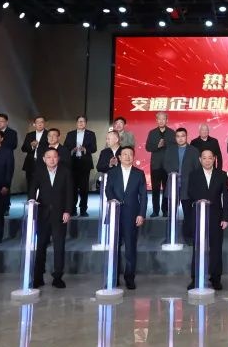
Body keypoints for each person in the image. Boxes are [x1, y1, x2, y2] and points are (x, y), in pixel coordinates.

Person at [28, 148, 73, 288]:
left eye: (54, 157)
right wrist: (31, 201)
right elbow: (32, 189)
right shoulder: (39, 172)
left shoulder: (65, 172)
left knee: (59, 246)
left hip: (60, 214)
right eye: (49, 157)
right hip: (42, 214)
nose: (52, 160)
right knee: (41, 245)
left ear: (58, 158)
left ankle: (58, 276)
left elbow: (70, 193)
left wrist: (68, 211)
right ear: (44, 159)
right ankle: (38, 276)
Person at [187, 149, 228, 290]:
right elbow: (190, 193)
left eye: (210, 158)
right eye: (204, 158)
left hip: (216, 217)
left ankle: (216, 278)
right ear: (200, 159)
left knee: (216, 248)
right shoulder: (193, 175)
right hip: (198, 215)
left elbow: (226, 197)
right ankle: (195, 278)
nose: (207, 160)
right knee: (197, 248)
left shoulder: (222, 175)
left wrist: (226, 218)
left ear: (214, 159)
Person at [104, 146, 147, 290]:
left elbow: (143, 196)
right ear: (119, 157)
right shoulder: (112, 172)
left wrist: (141, 214)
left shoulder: (139, 173)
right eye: (124, 154)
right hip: (115, 213)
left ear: (133, 157)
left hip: (132, 215)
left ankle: (129, 278)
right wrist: (113, 201)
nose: (127, 157)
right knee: (114, 247)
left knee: (130, 248)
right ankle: (113, 277)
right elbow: (108, 190)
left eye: (130, 154)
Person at [164, 127, 200, 242]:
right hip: (173, 185)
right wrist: (173, 172)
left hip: (187, 187)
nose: (180, 138)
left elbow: (197, 168)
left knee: (188, 214)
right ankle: (169, 237)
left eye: (182, 136)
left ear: (186, 136)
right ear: (175, 138)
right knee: (171, 213)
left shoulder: (194, 150)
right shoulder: (170, 149)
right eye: (178, 136)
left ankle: (188, 237)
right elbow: (165, 164)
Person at [65, 115, 98, 217]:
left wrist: (85, 149)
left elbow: (94, 148)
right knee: (72, 188)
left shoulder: (91, 134)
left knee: (84, 188)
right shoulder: (70, 134)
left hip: (85, 163)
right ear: (76, 123)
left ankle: (83, 209)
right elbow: (65, 147)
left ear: (86, 123)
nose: (81, 123)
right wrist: (72, 150)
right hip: (72, 163)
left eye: (83, 121)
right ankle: (72, 209)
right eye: (79, 121)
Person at [145, 112, 176, 217]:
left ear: (167, 120)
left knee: (167, 189)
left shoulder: (172, 132)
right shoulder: (152, 132)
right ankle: (155, 210)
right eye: (159, 119)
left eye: (163, 119)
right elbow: (147, 147)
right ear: (156, 120)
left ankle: (165, 210)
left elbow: (175, 148)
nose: (161, 121)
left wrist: (165, 144)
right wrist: (157, 146)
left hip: (168, 166)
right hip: (156, 165)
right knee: (155, 189)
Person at [21, 116, 50, 192]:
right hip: (30, 163)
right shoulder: (29, 135)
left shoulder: (49, 134)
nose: (40, 124)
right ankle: (31, 199)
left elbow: (51, 148)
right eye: (37, 122)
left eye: (42, 122)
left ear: (45, 124)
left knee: (44, 185)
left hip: (44, 163)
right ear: (34, 124)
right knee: (30, 185)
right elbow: (23, 148)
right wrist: (32, 146)